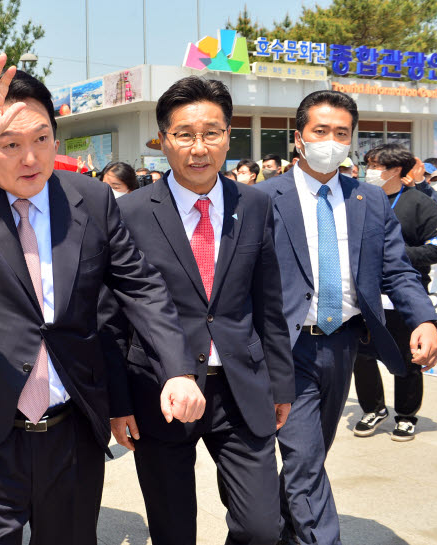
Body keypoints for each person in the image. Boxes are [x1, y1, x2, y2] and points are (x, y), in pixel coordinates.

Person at [0, 54, 199, 545]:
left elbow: (141, 286)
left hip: (72, 425)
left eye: (40, 139)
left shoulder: (92, 199)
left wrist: (178, 368)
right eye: (10, 144)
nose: (30, 158)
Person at [103, 76, 293, 545]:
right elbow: (110, 316)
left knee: (262, 527)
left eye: (212, 133)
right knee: (173, 530)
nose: (199, 147)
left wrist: (280, 384)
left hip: (240, 387)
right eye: (184, 134)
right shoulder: (129, 212)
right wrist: (118, 402)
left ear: (229, 135)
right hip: (157, 390)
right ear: (163, 140)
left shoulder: (255, 204)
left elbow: (269, 301)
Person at [255, 90, 437, 545]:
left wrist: (424, 320)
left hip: (341, 345)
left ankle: (272, 535)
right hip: (286, 347)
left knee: (311, 459)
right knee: (304, 461)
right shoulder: (261, 198)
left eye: (342, 133)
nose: (331, 141)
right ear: (299, 138)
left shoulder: (370, 201)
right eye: (320, 131)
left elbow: (396, 268)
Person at [353, 144, 437, 441]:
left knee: (408, 358)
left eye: (374, 165)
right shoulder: (360, 199)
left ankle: (406, 414)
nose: (369, 170)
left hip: (403, 296)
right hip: (365, 296)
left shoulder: (420, 203)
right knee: (362, 356)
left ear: (395, 169)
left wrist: (395, 255)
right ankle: (373, 408)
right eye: (367, 164)